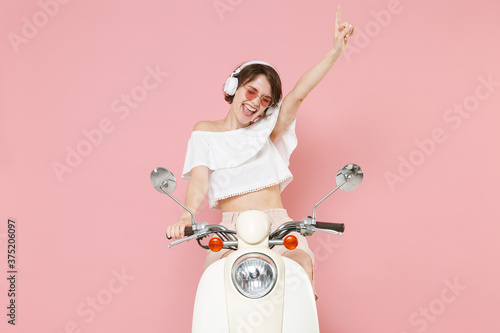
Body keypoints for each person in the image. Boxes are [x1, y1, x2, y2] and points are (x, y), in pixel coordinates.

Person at [166, 4, 354, 297]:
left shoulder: (268, 130)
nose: (255, 102)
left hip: (277, 224)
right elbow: (200, 181)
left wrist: (334, 53)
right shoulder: (205, 131)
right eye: (251, 91)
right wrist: (185, 217)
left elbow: (298, 94)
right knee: (215, 288)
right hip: (231, 231)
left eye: (265, 99)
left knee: (298, 276)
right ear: (234, 87)